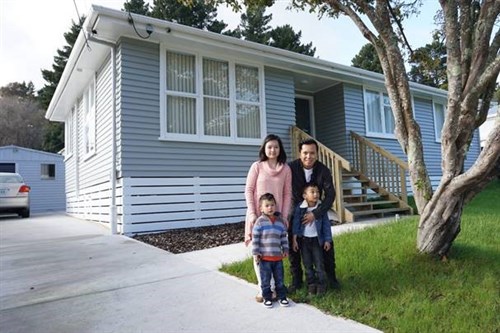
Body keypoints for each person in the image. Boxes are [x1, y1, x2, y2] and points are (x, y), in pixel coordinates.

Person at [288, 138, 340, 292]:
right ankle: (297, 280)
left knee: (325, 246)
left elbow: (330, 195)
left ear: (317, 154)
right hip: (296, 212)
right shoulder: (290, 168)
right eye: (305, 153)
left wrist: (316, 214)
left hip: (317, 213)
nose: (308, 156)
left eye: (312, 153)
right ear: (300, 153)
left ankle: (330, 279)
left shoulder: (323, 170)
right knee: (294, 248)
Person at [244, 134, 292, 302]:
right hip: (257, 216)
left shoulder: (285, 169)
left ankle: (274, 287)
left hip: (276, 219)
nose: (273, 150)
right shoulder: (257, 166)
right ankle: (262, 289)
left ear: (280, 149)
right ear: (264, 148)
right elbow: (248, 190)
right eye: (269, 146)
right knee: (258, 252)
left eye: (276, 147)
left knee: (273, 251)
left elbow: (287, 194)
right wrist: (252, 214)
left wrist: (284, 216)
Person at [292, 182, 332, 295]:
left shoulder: (321, 207)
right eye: (312, 192)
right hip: (304, 241)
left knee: (319, 264)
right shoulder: (300, 208)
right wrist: (294, 239)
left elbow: (326, 225)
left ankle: (321, 284)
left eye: (318, 192)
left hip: (317, 241)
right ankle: (311, 284)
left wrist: (327, 240)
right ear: (305, 195)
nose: (316, 194)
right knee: (307, 264)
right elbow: (296, 224)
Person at [252, 193, 290, 308]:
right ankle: (267, 298)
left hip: (277, 258)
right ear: (261, 208)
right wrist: (255, 253)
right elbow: (255, 239)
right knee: (265, 280)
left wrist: (285, 249)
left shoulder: (280, 222)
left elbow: (283, 237)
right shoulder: (259, 222)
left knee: (279, 279)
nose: (270, 208)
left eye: (272, 205)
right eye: (267, 205)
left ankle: (282, 297)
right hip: (264, 258)